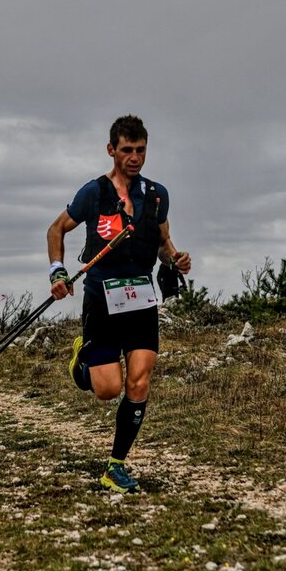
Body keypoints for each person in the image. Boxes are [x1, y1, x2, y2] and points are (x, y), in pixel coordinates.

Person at [47, 114, 191, 493]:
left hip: (141, 296)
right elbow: (56, 229)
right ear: (112, 150)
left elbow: (162, 243)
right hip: (102, 296)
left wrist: (175, 258)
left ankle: (116, 465)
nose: (134, 158)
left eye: (140, 150)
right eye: (126, 150)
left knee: (139, 380)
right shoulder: (93, 193)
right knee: (108, 389)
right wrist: (57, 273)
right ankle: (82, 361)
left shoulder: (157, 195)